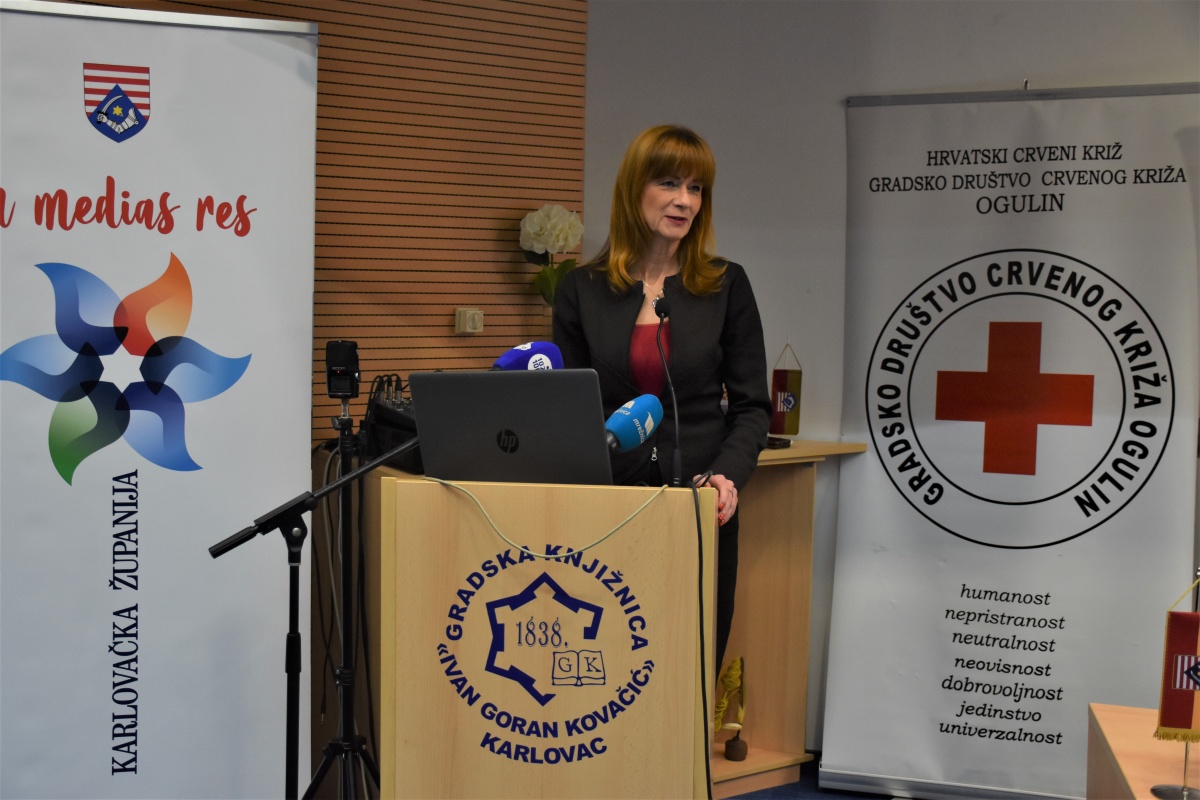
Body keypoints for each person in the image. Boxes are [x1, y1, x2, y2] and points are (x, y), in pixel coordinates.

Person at [552, 124, 771, 671]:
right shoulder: (581, 289)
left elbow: (751, 407)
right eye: (670, 183)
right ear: (635, 188)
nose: (685, 201)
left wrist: (726, 477)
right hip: (608, 507)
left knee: (689, 665)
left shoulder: (726, 285)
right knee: (606, 665)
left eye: (696, 188)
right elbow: (568, 409)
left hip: (698, 505)